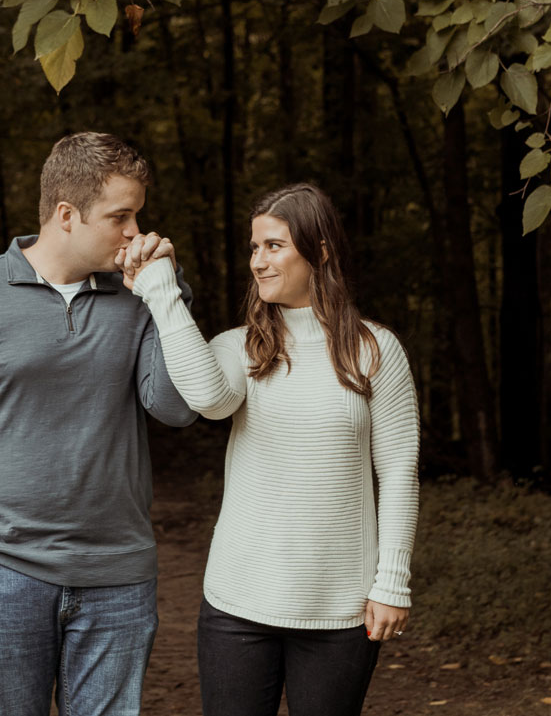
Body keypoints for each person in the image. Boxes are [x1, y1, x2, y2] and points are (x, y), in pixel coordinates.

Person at [0, 131, 198, 716]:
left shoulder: (142, 297)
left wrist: (166, 292)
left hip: (118, 576)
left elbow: (175, 409)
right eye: (121, 216)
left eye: (139, 216)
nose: (136, 232)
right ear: (66, 215)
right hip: (0, 573)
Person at [118, 182, 420, 716]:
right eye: (254, 247)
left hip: (341, 609)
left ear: (319, 250)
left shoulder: (375, 350)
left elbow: (398, 471)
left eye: (273, 245)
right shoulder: (241, 346)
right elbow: (209, 400)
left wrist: (392, 582)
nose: (258, 261)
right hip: (238, 605)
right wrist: (160, 287)